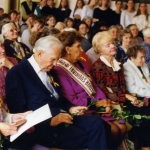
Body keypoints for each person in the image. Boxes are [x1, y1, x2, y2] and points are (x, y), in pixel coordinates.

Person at [5, 35, 108, 149]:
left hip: (62, 116)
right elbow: (18, 112)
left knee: (99, 125)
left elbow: (57, 97)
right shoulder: (17, 73)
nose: (55, 64)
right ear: (40, 54)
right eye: (53, 59)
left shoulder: (49, 68)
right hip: (42, 128)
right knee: (94, 135)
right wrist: (50, 121)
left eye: (57, 59)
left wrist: (70, 108)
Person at [91, 31, 142, 148]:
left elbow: (122, 87)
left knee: (131, 124)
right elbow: (102, 92)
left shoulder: (118, 63)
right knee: (117, 129)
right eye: (107, 45)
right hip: (106, 106)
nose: (113, 46)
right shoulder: (98, 67)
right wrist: (127, 97)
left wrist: (131, 97)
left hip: (120, 104)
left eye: (112, 43)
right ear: (99, 50)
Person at [123, 45, 150, 150]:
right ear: (132, 57)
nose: (143, 60)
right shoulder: (127, 67)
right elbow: (132, 88)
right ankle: (145, 145)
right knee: (146, 120)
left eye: (144, 57)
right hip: (135, 100)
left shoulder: (143, 65)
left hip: (146, 96)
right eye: (141, 57)